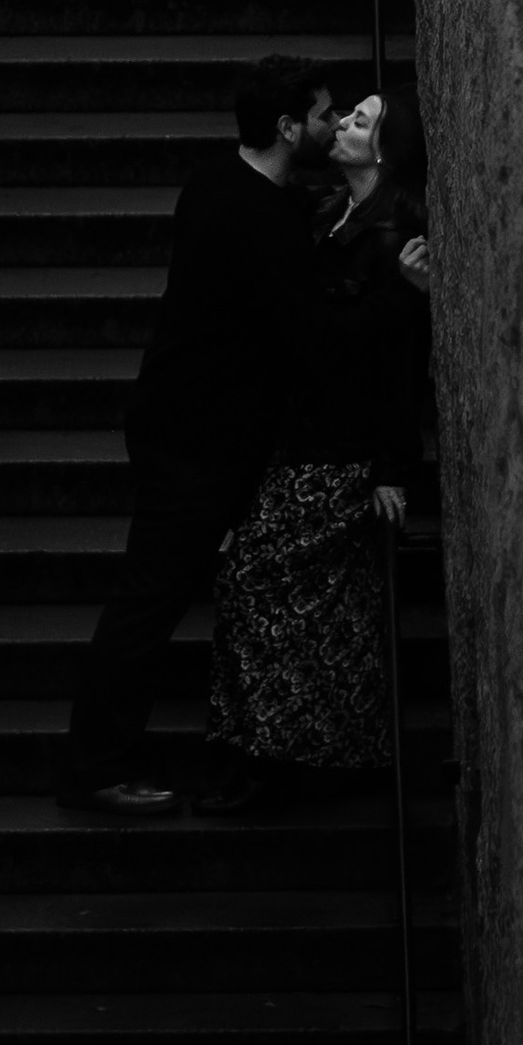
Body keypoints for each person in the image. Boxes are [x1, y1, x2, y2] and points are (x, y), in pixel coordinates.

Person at [59, 54, 335, 813]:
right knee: (148, 602)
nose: (335, 125)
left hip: (171, 420)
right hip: (196, 443)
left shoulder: (214, 181)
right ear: (287, 128)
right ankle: (94, 769)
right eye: (323, 114)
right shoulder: (264, 221)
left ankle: (105, 758)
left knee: (151, 596)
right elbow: (305, 337)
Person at [198, 87, 432, 808]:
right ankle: (304, 752)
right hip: (302, 439)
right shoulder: (331, 211)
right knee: (320, 605)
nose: (344, 126)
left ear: (384, 150)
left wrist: (396, 468)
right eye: (348, 113)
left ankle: (275, 758)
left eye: (361, 121)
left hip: (345, 447)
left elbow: (400, 359)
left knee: (259, 583)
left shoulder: (395, 235)